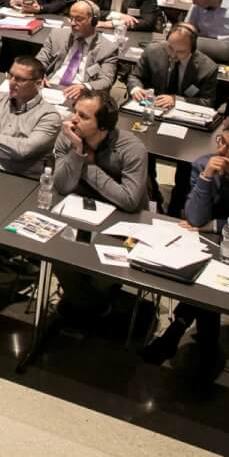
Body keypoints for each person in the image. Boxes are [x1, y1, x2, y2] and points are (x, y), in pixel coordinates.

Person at [140, 118, 229, 385]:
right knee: (201, 276)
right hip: (208, 247)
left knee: (212, 282)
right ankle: (205, 347)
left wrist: (216, 226)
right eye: (222, 142)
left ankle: (180, 330)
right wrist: (207, 178)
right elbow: (194, 218)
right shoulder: (202, 164)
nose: (222, 152)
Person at [44, 91, 149, 333]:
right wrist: (78, 153)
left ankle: (90, 306)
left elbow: (131, 200)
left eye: (83, 116)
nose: (73, 120)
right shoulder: (69, 137)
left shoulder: (131, 148)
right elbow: (61, 185)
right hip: (80, 215)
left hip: (123, 223)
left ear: (102, 125)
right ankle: (92, 308)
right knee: (57, 256)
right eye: (75, 112)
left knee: (101, 274)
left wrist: (88, 168)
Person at [0, 54, 58, 178]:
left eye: (20, 79)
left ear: (38, 83)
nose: (12, 82)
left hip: (23, 179)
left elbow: (24, 150)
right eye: (10, 75)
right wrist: (14, 155)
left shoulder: (49, 116)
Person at [35, 0, 121, 104]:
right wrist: (37, 73)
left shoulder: (108, 48)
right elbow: (40, 60)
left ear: (94, 21)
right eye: (71, 18)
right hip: (50, 87)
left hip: (81, 96)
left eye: (79, 19)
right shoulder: (57, 35)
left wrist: (85, 87)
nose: (72, 23)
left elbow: (106, 80)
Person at [127, 23, 218, 110]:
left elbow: (207, 102)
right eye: (170, 48)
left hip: (181, 113)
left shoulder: (207, 69)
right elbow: (135, 76)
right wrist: (136, 89)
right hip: (152, 106)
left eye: (180, 52)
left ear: (192, 49)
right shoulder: (152, 51)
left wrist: (176, 100)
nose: (173, 55)